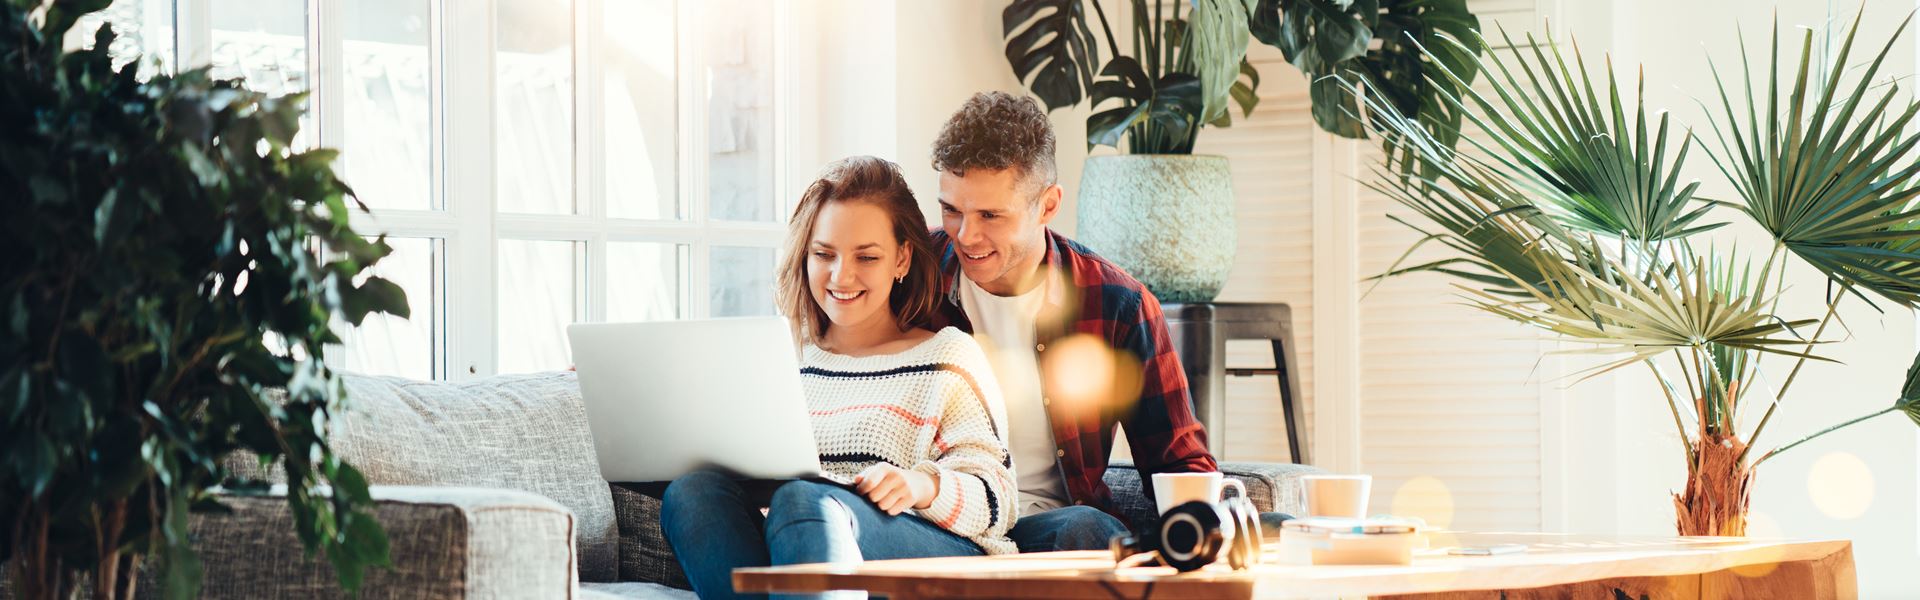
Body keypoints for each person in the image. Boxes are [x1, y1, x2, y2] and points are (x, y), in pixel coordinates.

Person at [659, 156, 1018, 600]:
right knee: (691, 493)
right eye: (823, 254)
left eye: (866, 256)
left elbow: (996, 496)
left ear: (902, 258)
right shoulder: (784, 355)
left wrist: (920, 485)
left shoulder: (948, 355)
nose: (841, 276)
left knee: (803, 499)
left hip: (932, 554)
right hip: (797, 548)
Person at [926, 91, 1254, 553]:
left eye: (990, 215)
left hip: (1052, 529)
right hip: (935, 523)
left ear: (1048, 205)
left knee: (1086, 528)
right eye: (951, 210)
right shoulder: (912, 277)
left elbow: (1177, 461)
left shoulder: (1117, 303)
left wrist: (1212, 525)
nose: (966, 235)